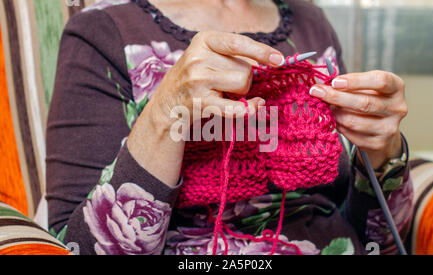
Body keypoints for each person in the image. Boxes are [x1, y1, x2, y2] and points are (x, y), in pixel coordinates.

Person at [46, 0, 413, 255]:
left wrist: (384, 150)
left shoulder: (312, 23)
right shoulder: (101, 32)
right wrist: (165, 113)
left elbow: (378, 241)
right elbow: (73, 245)